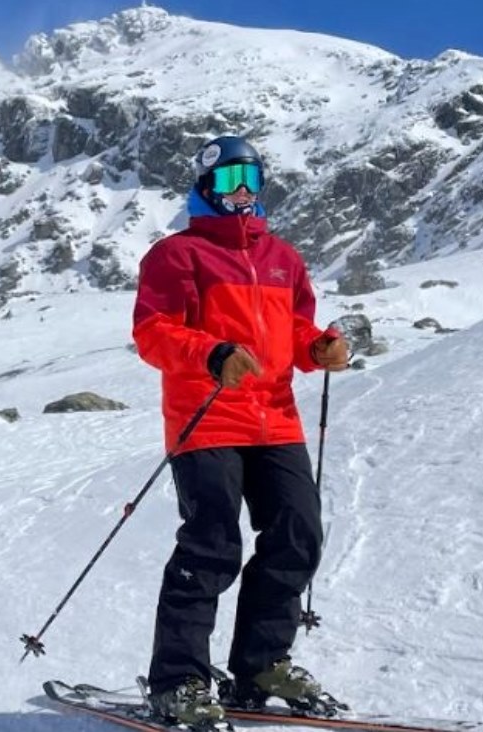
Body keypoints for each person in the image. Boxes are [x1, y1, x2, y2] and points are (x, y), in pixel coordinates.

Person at [132, 135, 350, 726]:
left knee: (299, 534)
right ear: (205, 187)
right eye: (230, 182)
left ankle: (259, 664)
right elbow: (153, 332)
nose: (244, 193)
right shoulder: (177, 256)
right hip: (207, 419)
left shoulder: (284, 257)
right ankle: (177, 680)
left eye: (252, 180)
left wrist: (319, 347)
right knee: (211, 545)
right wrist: (212, 353)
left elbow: (296, 330)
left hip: (276, 418)